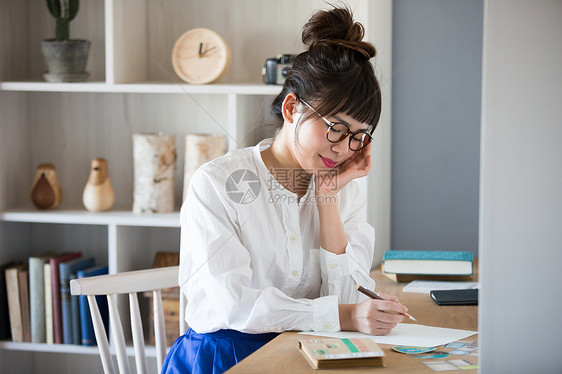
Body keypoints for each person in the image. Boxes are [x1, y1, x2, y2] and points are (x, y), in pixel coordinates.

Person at [161, 6, 407, 374]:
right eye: (336, 128)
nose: (343, 148)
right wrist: (344, 315)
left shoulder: (343, 187)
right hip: (225, 358)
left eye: (359, 136)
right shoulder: (217, 183)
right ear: (292, 108)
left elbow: (346, 298)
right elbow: (234, 306)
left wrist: (326, 198)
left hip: (311, 352)